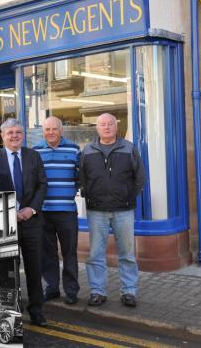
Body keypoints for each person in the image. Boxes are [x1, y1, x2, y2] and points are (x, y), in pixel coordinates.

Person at [79, 113, 145, 307]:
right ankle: (97, 291)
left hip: (123, 210)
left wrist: (128, 196)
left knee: (127, 253)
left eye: (110, 124)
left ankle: (129, 291)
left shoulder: (129, 148)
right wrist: (89, 194)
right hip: (96, 210)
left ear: (116, 127)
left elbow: (139, 177)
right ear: (97, 128)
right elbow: (82, 177)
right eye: (102, 124)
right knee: (96, 254)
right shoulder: (88, 150)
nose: (106, 127)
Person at [0, 118, 48, 327]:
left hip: (31, 221)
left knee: (34, 269)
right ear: (2, 135)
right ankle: (11, 311)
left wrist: (31, 209)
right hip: (5, 222)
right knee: (8, 271)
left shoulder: (33, 155)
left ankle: (36, 310)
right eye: (10, 133)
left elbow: (42, 185)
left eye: (18, 132)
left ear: (23, 134)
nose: (15, 136)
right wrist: (11, 211)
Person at [33, 116, 80, 305]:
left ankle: (71, 291)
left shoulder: (74, 149)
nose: (50, 133)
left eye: (54, 129)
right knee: (47, 253)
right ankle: (52, 288)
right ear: (43, 131)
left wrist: (69, 191)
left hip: (67, 210)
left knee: (70, 252)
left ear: (61, 130)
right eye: (47, 129)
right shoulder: (36, 151)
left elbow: (79, 176)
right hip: (44, 210)